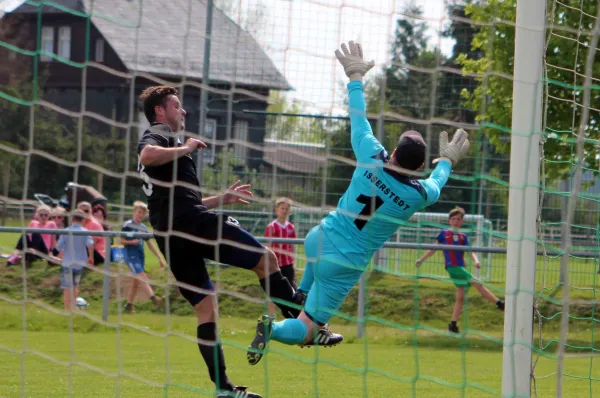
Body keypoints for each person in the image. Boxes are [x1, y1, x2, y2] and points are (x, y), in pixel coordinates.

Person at [246, 41, 471, 365]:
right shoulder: (417, 195)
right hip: (344, 262)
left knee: (306, 300)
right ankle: (276, 329)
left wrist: (354, 77)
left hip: (319, 238)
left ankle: (310, 314)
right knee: (304, 330)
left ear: (392, 152)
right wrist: (448, 159)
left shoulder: (370, 155)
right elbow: (436, 182)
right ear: (419, 167)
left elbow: (358, 118)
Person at [137, 85, 300, 398]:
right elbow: (147, 152)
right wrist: (186, 147)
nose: (182, 111)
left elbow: (183, 200)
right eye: (176, 106)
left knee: (206, 309)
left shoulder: (168, 149)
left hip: (172, 236)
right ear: (160, 110)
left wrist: (222, 198)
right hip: (193, 226)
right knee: (266, 259)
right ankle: (302, 322)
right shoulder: (160, 134)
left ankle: (224, 390)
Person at [415, 206, 504, 333]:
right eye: (454, 219)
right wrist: (421, 260)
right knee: (477, 284)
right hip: (452, 267)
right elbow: (433, 249)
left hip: (460, 267)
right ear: (449, 221)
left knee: (460, 297)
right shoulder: (444, 233)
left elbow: (470, 251)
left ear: (462, 222)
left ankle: (453, 325)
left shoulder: (463, 236)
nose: (456, 221)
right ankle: (499, 304)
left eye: (458, 219)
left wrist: (476, 261)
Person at [121, 201, 167, 313]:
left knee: (136, 283)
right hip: (130, 256)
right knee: (142, 276)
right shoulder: (127, 225)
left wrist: (159, 257)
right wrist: (132, 242)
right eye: (139, 212)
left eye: (143, 213)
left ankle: (128, 306)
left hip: (140, 256)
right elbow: (121, 241)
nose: (140, 215)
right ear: (134, 212)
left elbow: (150, 244)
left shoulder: (143, 227)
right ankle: (154, 299)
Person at [264, 197, 297, 316]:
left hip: (288, 263)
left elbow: (293, 245)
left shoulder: (291, 227)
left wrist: (293, 259)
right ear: (276, 210)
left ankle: (292, 313)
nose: (284, 211)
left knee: (292, 288)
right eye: (282, 208)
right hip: (276, 265)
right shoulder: (272, 227)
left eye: (287, 209)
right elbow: (268, 246)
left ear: (290, 211)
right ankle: (271, 316)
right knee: (273, 290)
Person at [55, 210, 94, 311]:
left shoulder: (66, 231)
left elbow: (59, 247)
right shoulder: (86, 231)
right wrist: (91, 257)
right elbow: (90, 244)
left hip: (67, 263)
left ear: (72, 218)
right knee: (75, 286)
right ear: (83, 219)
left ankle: (67, 308)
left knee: (67, 288)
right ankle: (74, 307)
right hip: (80, 263)